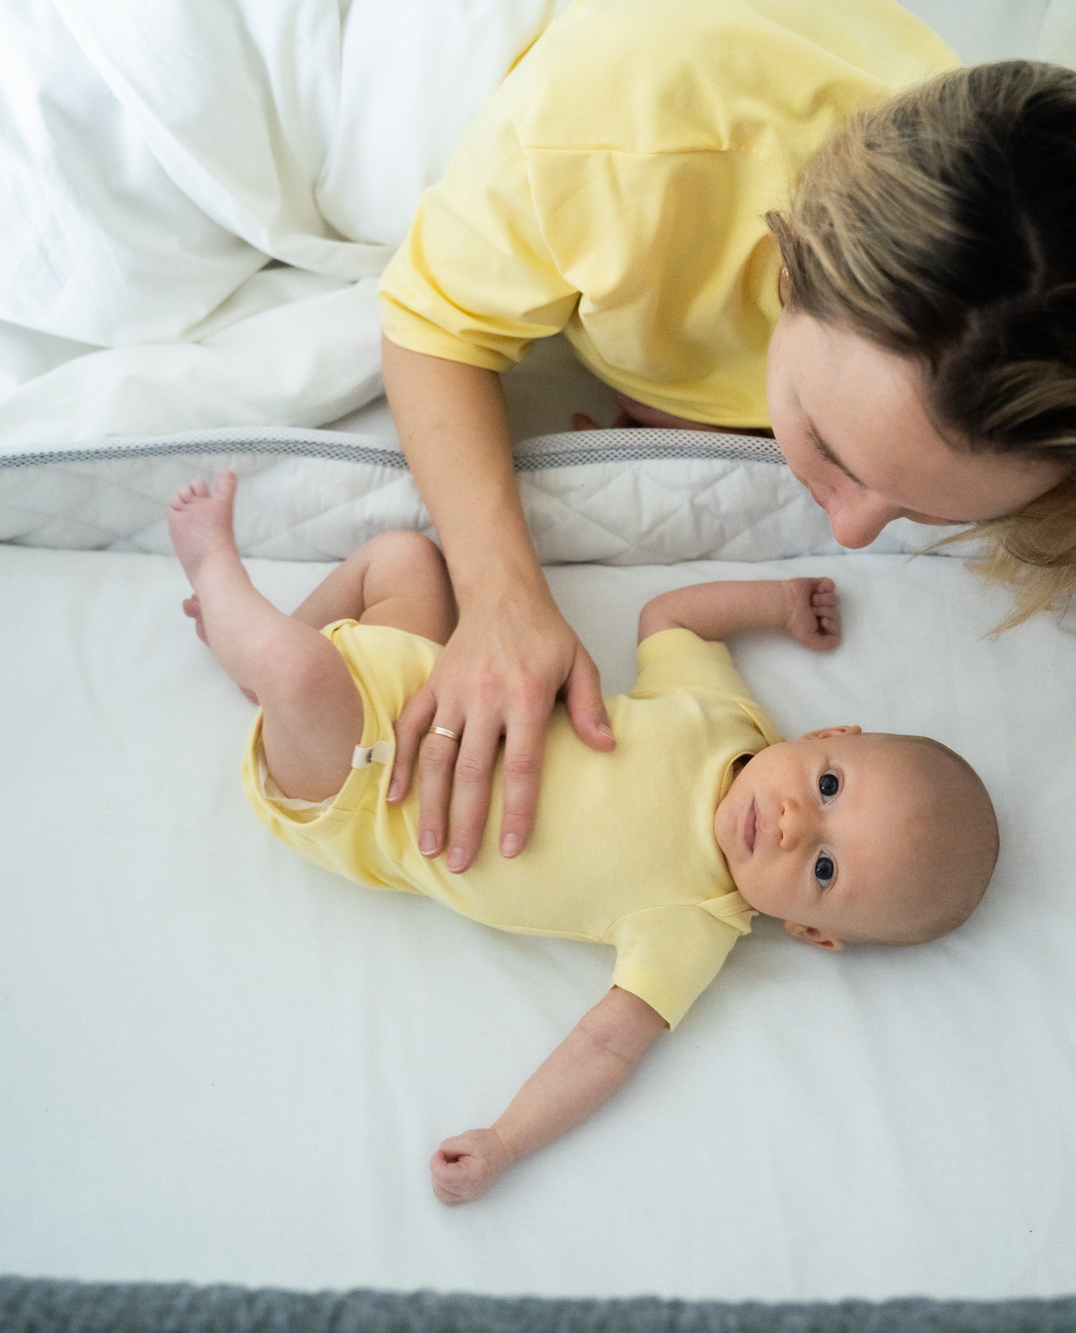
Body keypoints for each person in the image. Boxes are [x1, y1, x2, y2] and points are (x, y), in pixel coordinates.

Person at [377, 1, 1076, 877]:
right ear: (791, 260)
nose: (850, 532)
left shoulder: (1053, 300)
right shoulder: (607, 148)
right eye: (831, 449)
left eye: (925, 508)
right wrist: (500, 595)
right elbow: (426, 323)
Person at [167, 471, 1000, 1204]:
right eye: (827, 786)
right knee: (402, 559)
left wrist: (507, 1140)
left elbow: (603, 1047)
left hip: (364, 788)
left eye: (822, 867)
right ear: (832, 731)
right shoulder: (724, 716)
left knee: (305, 674)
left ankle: (220, 583)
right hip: (431, 670)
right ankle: (256, 656)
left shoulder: (695, 921)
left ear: (811, 932)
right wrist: (774, 603)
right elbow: (671, 617)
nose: (790, 823)